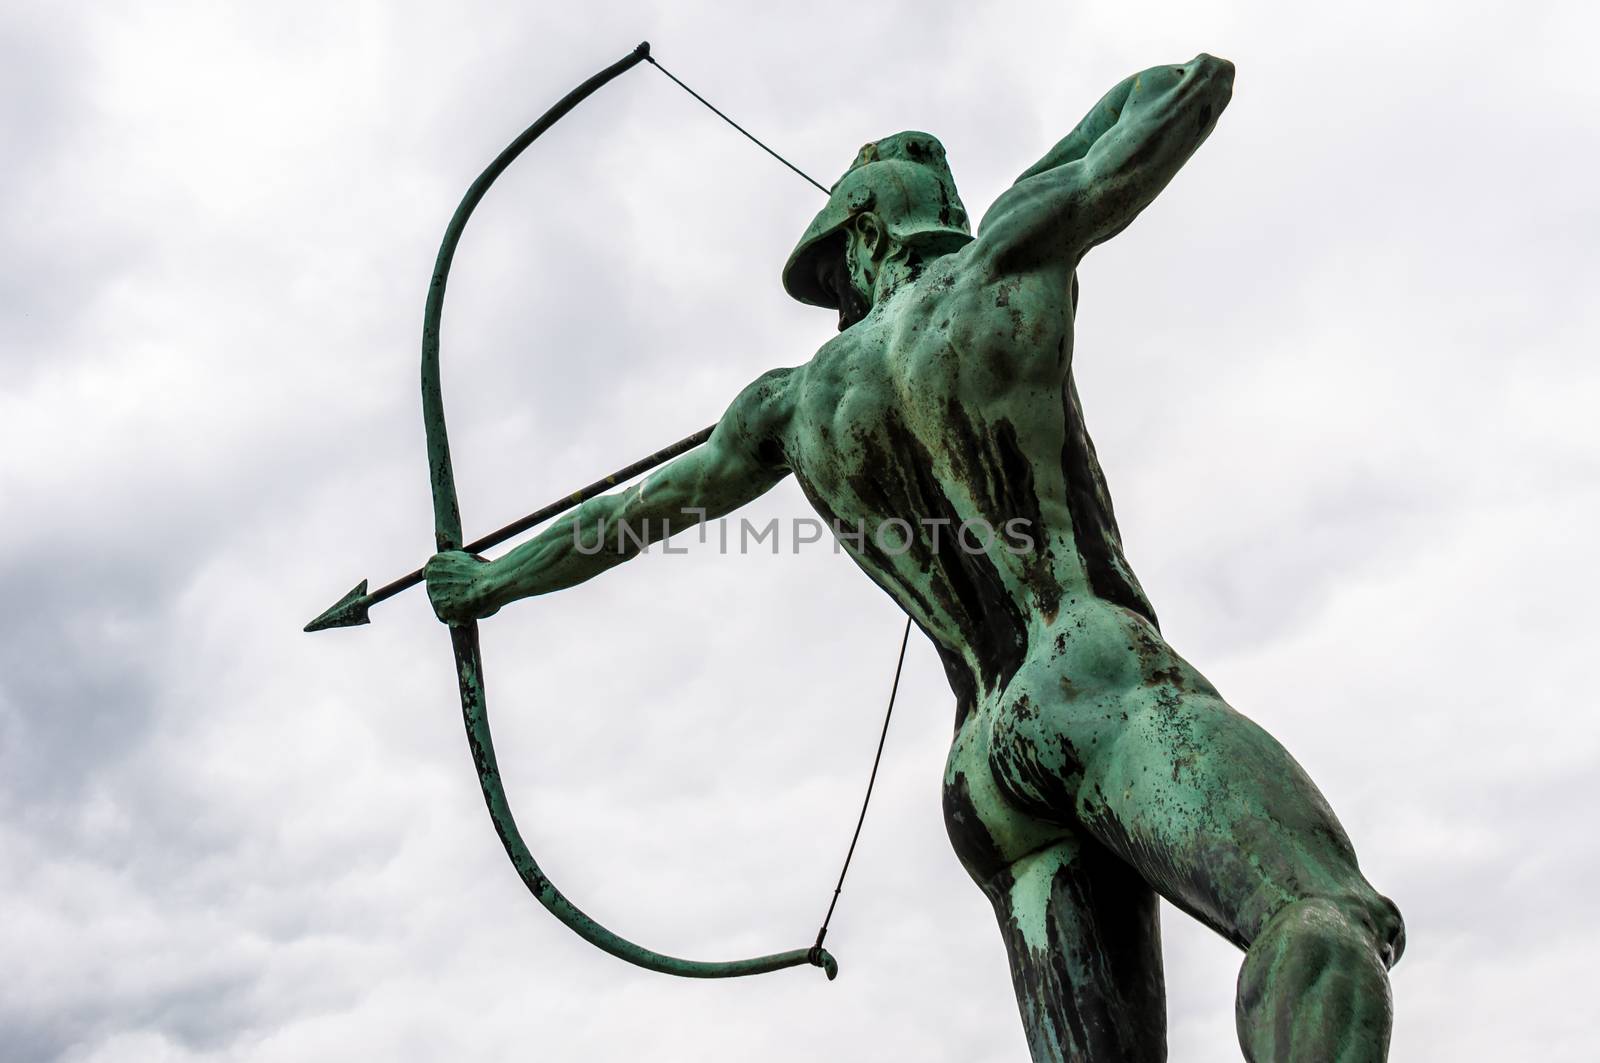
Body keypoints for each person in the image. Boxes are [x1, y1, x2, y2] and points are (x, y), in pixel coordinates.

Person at [426, 53, 1404, 1062]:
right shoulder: (1003, 263)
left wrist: (488, 582)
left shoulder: (789, 402)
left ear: (857, 235)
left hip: (985, 773)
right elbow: (1184, 87)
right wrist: (1030, 191)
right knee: (1317, 914)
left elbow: (637, 512)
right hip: (1094, 676)